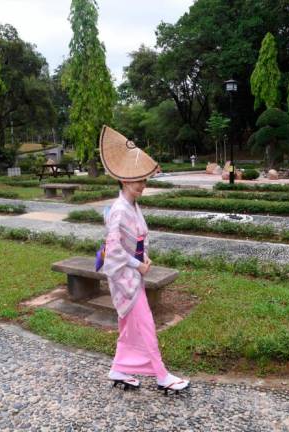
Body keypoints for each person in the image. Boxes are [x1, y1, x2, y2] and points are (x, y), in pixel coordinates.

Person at [98, 126, 190, 394]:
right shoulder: (118, 211)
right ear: (125, 181)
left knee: (128, 325)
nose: (143, 185)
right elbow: (113, 250)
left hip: (133, 273)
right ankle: (161, 375)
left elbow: (136, 241)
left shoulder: (132, 206)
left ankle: (119, 368)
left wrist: (144, 258)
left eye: (144, 180)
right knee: (146, 323)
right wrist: (139, 264)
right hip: (125, 277)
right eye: (138, 180)